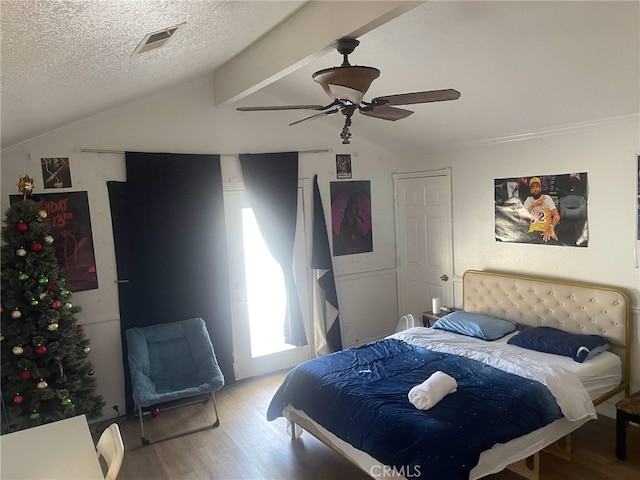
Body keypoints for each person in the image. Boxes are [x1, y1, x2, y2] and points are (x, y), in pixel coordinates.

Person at [522, 177, 561, 242]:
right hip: (532, 233)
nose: (535, 189)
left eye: (537, 187)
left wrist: (550, 228)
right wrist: (533, 205)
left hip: (545, 231)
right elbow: (522, 217)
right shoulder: (528, 200)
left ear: (540, 188)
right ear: (530, 190)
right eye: (533, 187)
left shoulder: (547, 198)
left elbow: (556, 216)